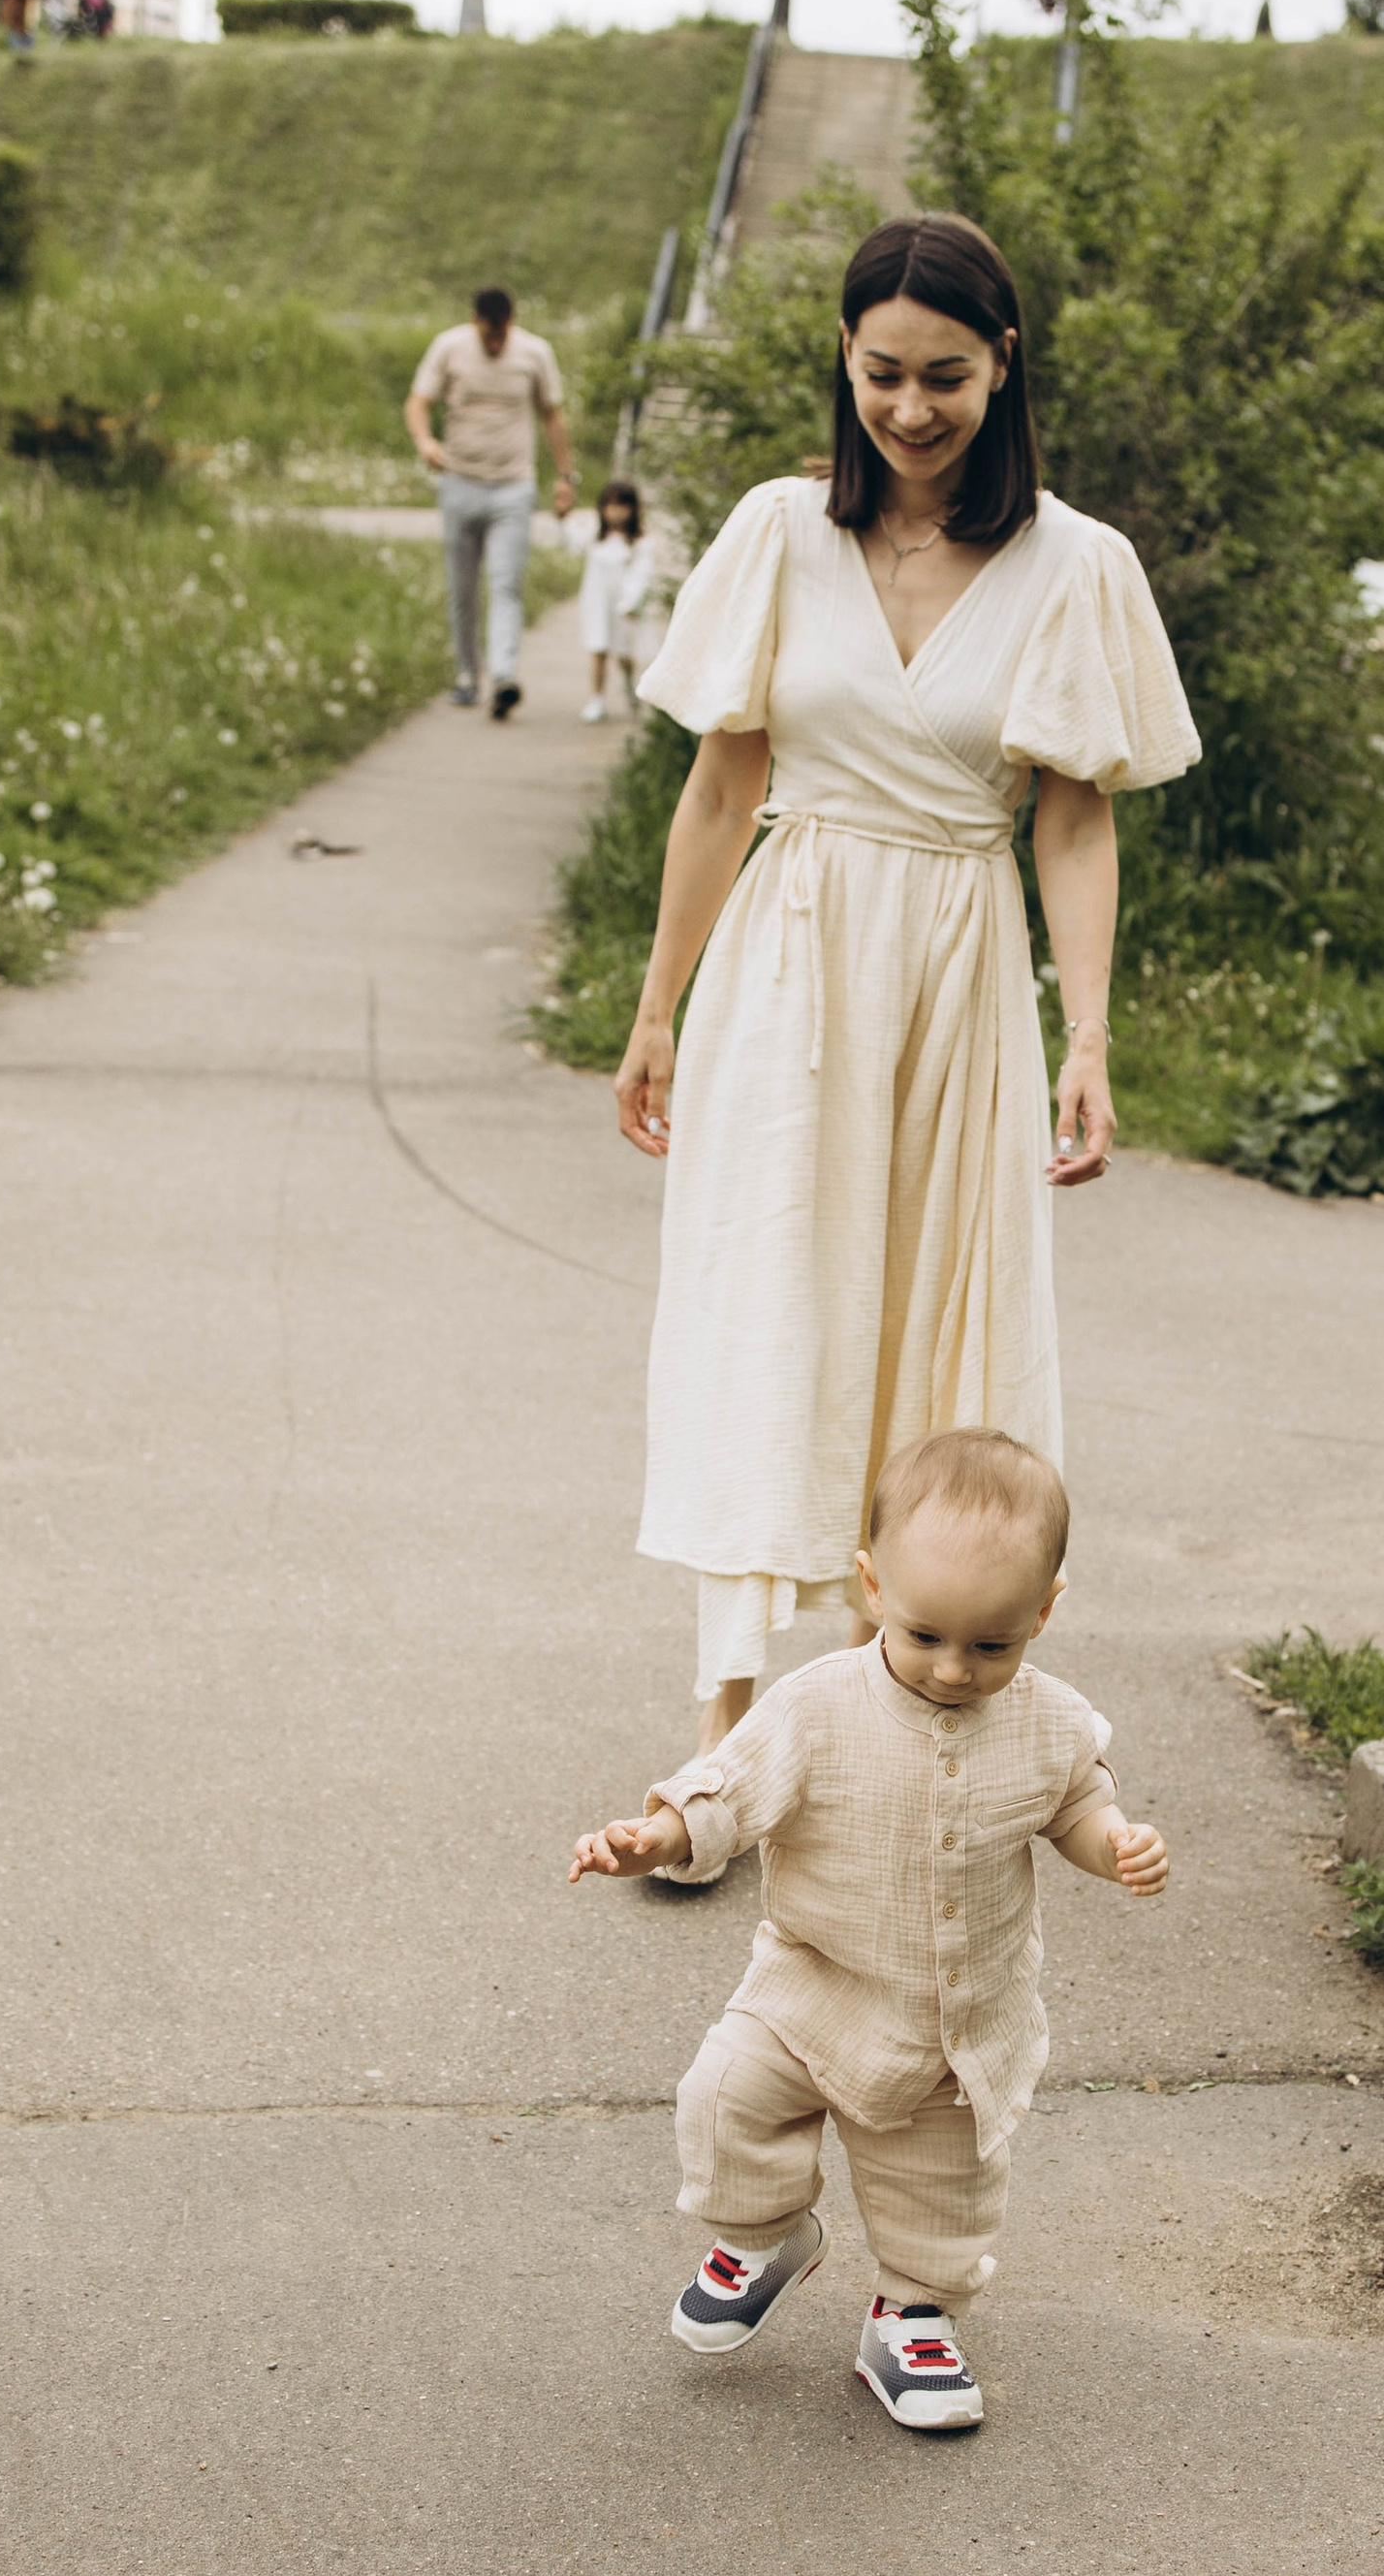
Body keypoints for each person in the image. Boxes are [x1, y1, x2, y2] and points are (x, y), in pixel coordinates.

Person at [616, 210, 1198, 1748]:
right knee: (770, 1300)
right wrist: (656, 1008)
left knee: (947, 1317)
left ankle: (912, 1695)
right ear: (847, 361)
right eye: (883, 373)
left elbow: (1074, 817)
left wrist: (1090, 1037)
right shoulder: (776, 532)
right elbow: (718, 791)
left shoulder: (1078, 566)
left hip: (958, 960)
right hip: (788, 958)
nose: (912, 409)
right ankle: (731, 1725)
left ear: (1003, 366)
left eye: (946, 374)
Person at [567, 1429, 1168, 2433]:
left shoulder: (1051, 1722)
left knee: (939, 2191)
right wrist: (659, 1836)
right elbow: (730, 1791)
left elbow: (1076, 1806)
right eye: (925, 1634)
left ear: (1044, 1611)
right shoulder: (815, 1708)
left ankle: (912, 2315)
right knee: (722, 2101)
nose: (950, 1669)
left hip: (952, 2023)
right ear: (873, 1586)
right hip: (809, 1991)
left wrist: (1116, 1846)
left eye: (991, 1645)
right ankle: (763, 2236)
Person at [405, 285, 575, 716]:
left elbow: (552, 414)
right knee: (462, 586)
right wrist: (425, 441)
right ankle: (467, 674)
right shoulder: (449, 347)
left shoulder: (535, 353)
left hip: (513, 487)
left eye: (501, 335)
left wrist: (565, 477)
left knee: (506, 583)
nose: (495, 344)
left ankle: (503, 676)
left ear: (512, 322)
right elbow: (418, 401)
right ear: (474, 321)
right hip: (460, 481)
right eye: (488, 336)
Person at [577, 476, 652, 725]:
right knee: (597, 650)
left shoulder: (638, 543)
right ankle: (597, 698)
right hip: (597, 604)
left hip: (622, 608)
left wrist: (630, 603)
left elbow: (641, 575)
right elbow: (570, 539)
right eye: (610, 505)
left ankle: (630, 686)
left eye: (622, 505)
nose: (615, 512)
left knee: (623, 653)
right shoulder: (595, 538)